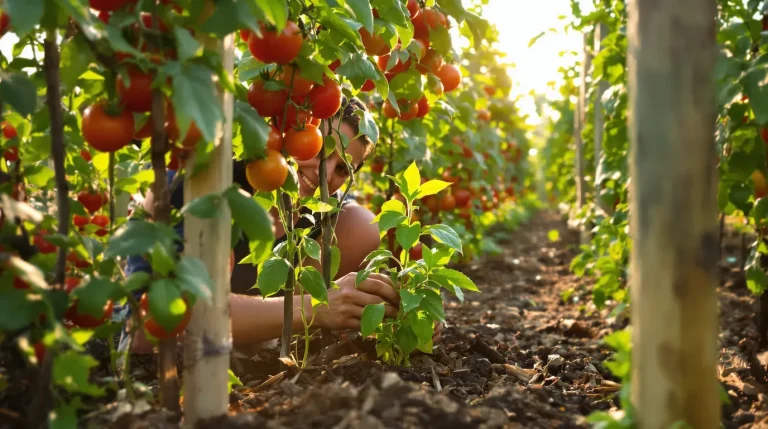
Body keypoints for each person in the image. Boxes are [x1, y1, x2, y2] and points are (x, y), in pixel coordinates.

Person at [124, 97, 403, 353]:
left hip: (252, 351)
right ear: (287, 132)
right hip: (159, 351)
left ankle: (264, 329)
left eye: (342, 169)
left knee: (364, 223)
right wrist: (317, 308)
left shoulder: (328, 217)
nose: (326, 174)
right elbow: (162, 321)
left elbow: (356, 296)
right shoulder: (204, 178)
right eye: (319, 150)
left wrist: (403, 313)